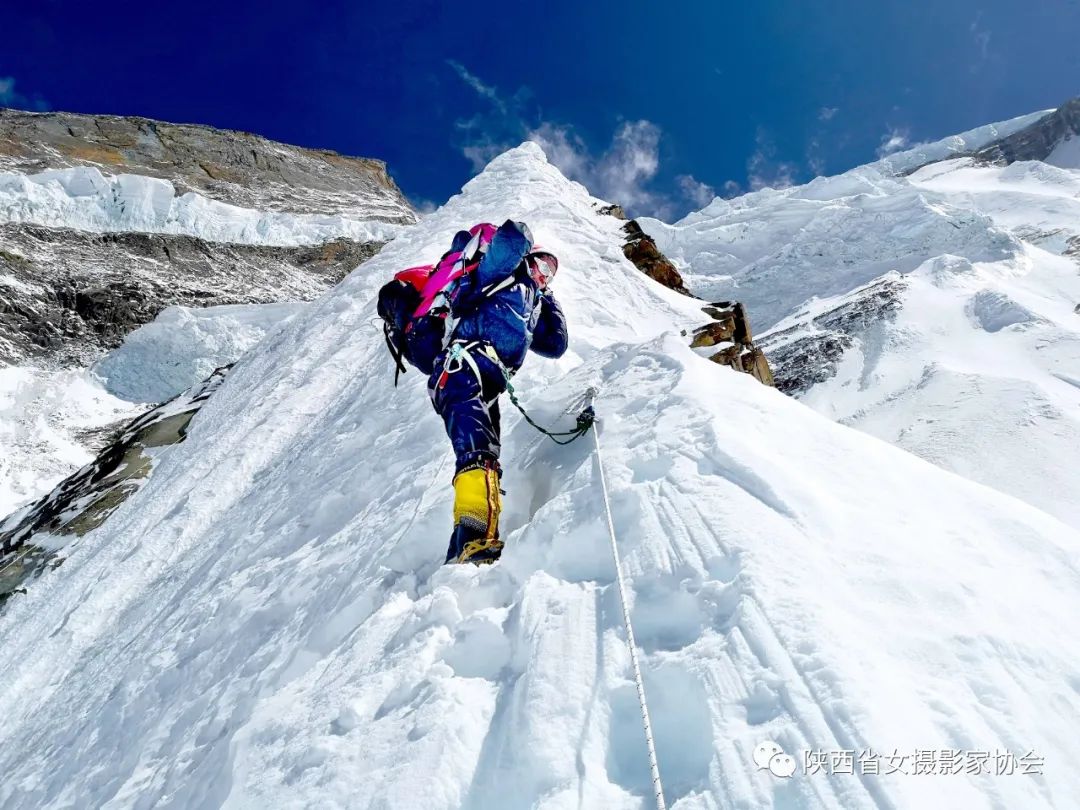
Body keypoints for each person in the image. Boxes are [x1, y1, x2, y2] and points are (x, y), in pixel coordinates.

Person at [426, 221, 568, 564]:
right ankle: (474, 537)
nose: (546, 273)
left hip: (489, 383)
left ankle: (465, 542)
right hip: (461, 366)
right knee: (476, 448)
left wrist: (548, 297)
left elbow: (556, 344)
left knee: (486, 454)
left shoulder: (532, 300)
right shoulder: (499, 272)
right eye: (543, 265)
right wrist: (524, 256)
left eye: (552, 272)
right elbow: (513, 237)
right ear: (528, 259)